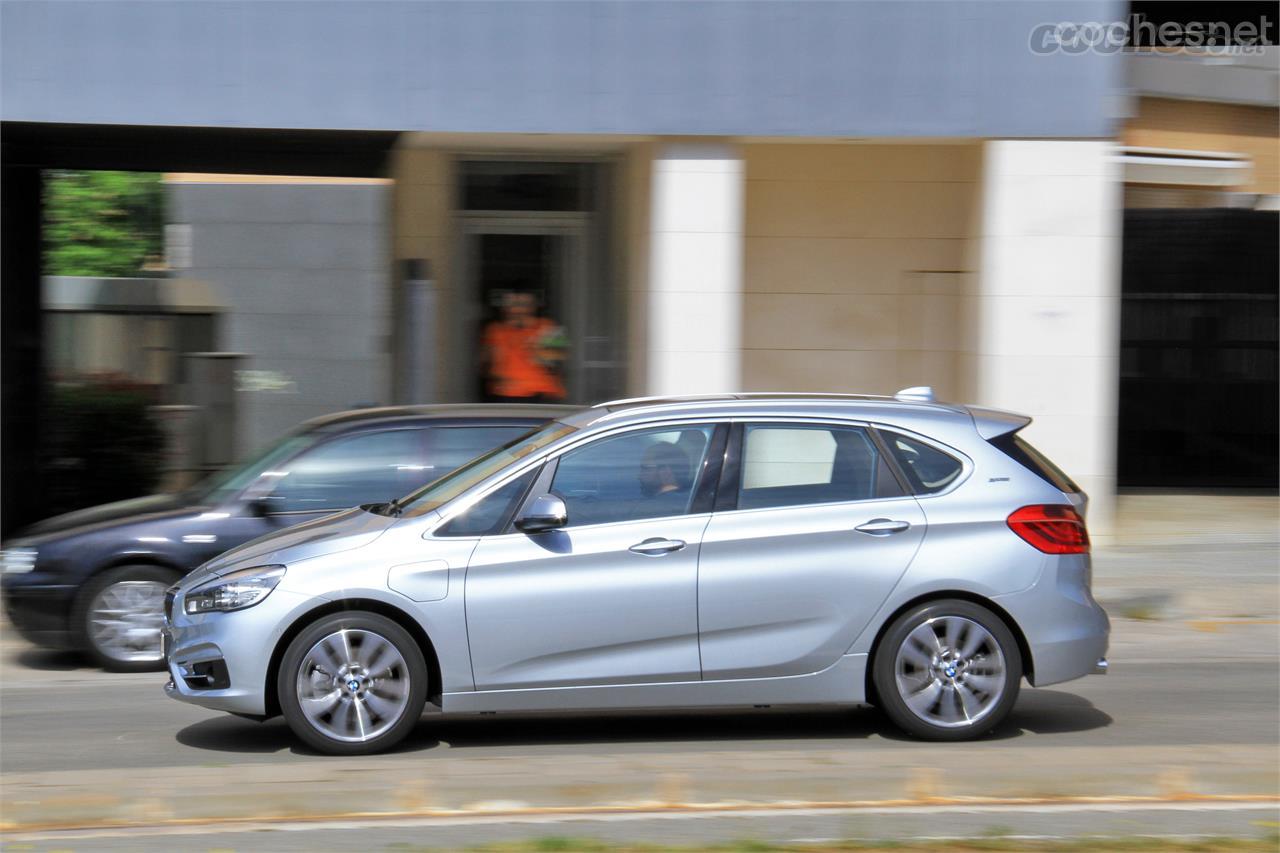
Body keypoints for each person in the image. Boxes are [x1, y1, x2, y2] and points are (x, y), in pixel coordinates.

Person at [481, 291, 567, 403]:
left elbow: (557, 362)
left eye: (523, 304)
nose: (518, 309)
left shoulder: (548, 326)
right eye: (513, 304)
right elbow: (487, 364)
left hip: (543, 393)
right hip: (507, 394)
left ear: (533, 307)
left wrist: (535, 347)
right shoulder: (495, 330)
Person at [634, 442, 692, 518]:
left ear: (666, 472)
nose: (639, 476)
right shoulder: (692, 499)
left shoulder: (648, 510)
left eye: (645, 468)